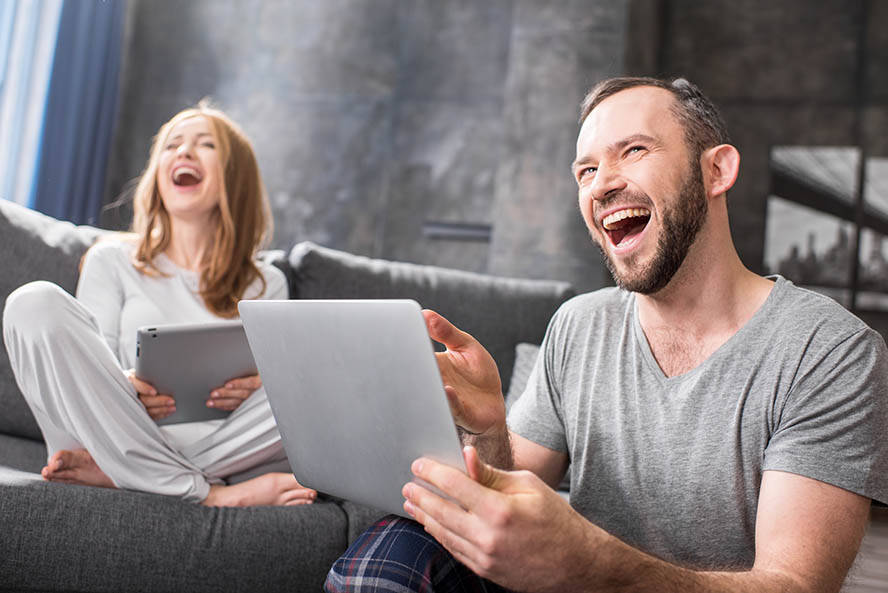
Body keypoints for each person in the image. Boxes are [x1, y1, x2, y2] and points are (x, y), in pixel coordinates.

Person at [324, 77, 888, 592]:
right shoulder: (579, 324)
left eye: (634, 151)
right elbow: (511, 489)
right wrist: (488, 428)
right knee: (389, 554)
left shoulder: (831, 351)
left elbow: (793, 584)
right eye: (586, 171)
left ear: (717, 170)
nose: (602, 185)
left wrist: (589, 561)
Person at [2, 102, 317, 507]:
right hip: (114, 427)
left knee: (312, 383)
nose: (184, 152)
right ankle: (213, 495)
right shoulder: (110, 259)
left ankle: (127, 476)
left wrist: (264, 385)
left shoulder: (265, 282)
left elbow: (281, 397)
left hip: (219, 442)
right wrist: (123, 384)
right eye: (172, 145)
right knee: (32, 303)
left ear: (234, 178)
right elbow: (89, 362)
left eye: (206, 145)